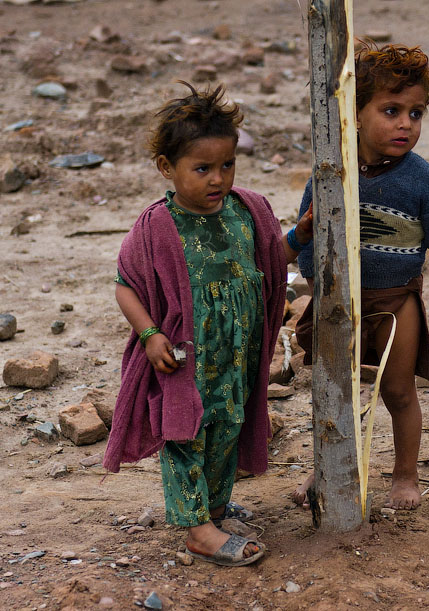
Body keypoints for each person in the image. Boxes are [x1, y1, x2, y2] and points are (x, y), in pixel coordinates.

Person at [102, 81, 312, 566]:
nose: (217, 179)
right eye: (202, 169)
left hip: (237, 351)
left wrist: (297, 237)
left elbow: (269, 261)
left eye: (226, 165)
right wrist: (150, 333)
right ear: (166, 168)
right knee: (184, 432)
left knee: (226, 425)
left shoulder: (246, 210)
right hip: (183, 353)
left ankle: (214, 508)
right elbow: (125, 284)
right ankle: (197, 529)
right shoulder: (157, 226)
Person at [291, 42, 429, 511]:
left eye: (415, 113)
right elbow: (310, 239)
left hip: (396, 302)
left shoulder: (421, 180)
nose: (405, 124)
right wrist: (316, 283)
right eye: (391, 110)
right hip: (339, 301)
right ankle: (328, 467)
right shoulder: (332, 172)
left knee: (398, 390)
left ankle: (405, 475)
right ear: (353, 111)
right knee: (336, 389)